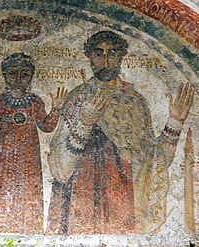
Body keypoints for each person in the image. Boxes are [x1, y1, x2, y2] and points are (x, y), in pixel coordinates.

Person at [47, 31, 195, 234]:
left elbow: (152, 162)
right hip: (82, 199)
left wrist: (175, 121)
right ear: (89, 56)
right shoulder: (79, 98)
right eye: (99, 54)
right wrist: (84, 123)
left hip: (124, 200)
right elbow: (59, 168)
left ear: (121, 56)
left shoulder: (134, 100)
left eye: (112, 53)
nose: (106, 61)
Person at [0, 53, 67, 234]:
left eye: (24, 74)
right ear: (5, 76)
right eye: (12, 74)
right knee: (1, 184)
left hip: (28, 151)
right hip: (4, 152)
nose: (18, 79)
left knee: (29, 185)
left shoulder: (35, 101)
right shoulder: (0, 100)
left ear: (31, 77)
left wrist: (56, 109)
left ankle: (28, 226)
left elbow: (46, 127)